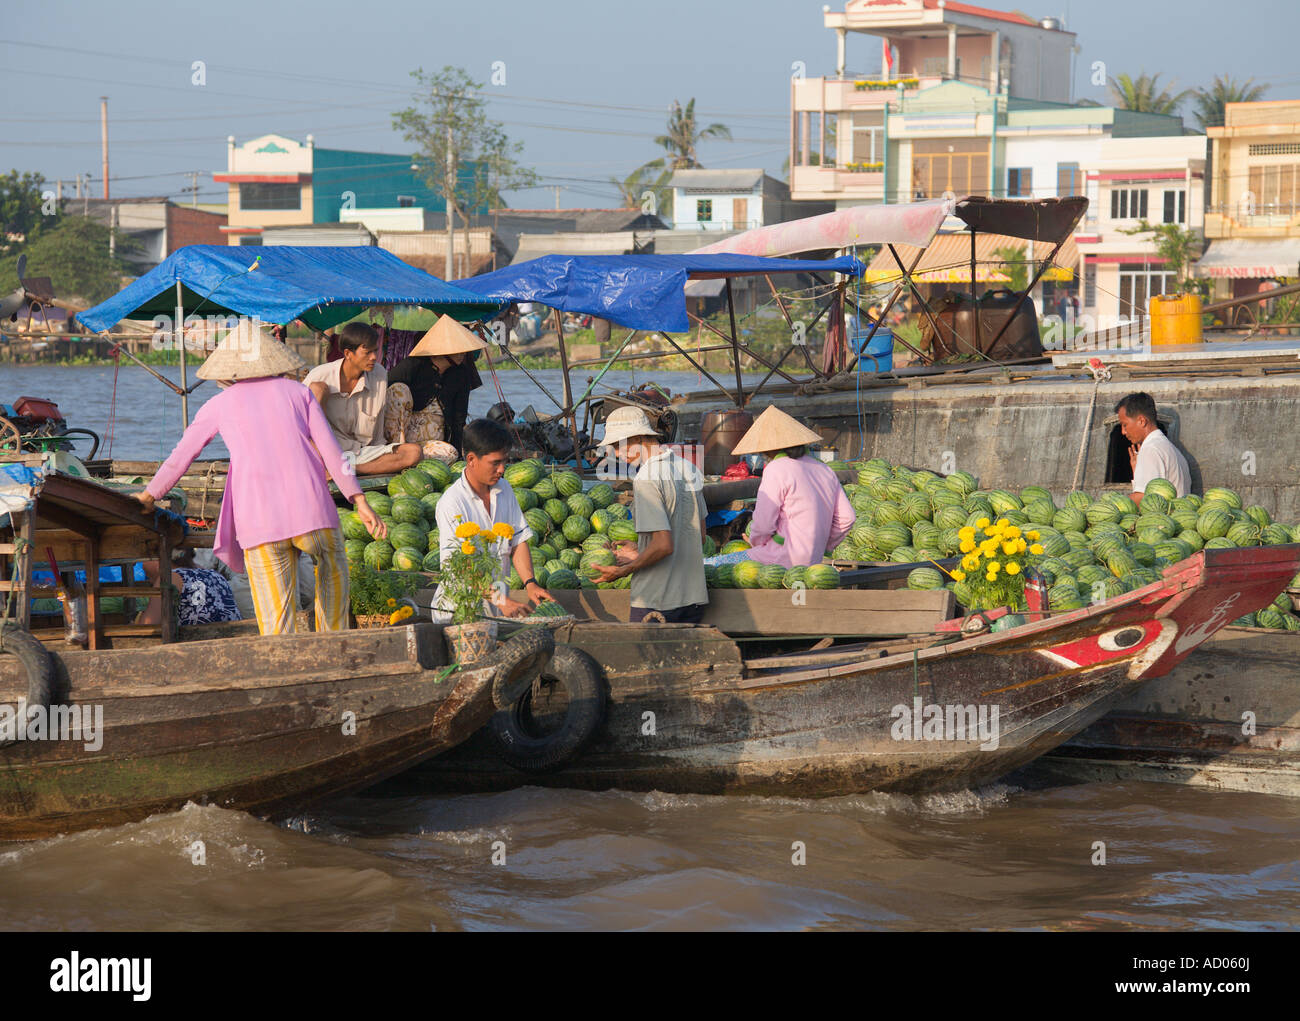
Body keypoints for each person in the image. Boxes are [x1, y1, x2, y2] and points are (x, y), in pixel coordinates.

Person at [133, 320, 386, 635]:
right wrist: (359, 501)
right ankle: (333, 640)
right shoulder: (299, 393)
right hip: (312, 512)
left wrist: (149, 495)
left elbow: (182, 455)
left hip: (260, 521)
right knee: (333, 574)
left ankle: (284, 666)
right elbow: (333, 452)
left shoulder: (218, 404)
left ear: (232, 369)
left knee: (277, 620)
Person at [589, 407, 708, 624]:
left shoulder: (646, 478)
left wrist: (623, 571)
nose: (615, 453)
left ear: (638, 437)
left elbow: (664, 546)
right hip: (694, 599)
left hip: (658, 600)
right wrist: (641, 548)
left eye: (617, 445)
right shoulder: (687, 468)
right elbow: (698, 537)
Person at [432, 418, 555, 620]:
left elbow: (517, 539)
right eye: (495, 463)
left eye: (505, 461)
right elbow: (461, 566)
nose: (502, 469)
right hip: (459, 615)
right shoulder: (452, 503)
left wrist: (530, 583)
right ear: (471, 459)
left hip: (495, 613)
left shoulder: (504, 489)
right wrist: (503, 601)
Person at [731, 406, 855, 567]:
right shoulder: (825, 469)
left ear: (769, 449)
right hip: (813, 562)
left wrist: (755, 542)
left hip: (778, 558)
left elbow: (764, 524)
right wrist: (824, 546)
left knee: (713, 564)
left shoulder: (776, 468)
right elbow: (847, 518)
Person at [304, 322, 422, 476]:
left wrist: (384, 455)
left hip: (360, 454)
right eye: (367, 352)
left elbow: (377, 433)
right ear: (347, 353)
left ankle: (347, 470)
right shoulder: (320, 375)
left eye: (375, 351)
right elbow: (300, 425)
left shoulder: (379, 374)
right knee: (317, 389)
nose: (374, 357)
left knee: (414, 453)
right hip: (325, 453)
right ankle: (330, 466)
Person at [384, 314, 485, 460]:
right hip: (402, 436)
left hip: (431, 443)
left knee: (450, 454)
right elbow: (387, 389)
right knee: (398, 389)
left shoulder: (461, 374)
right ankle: (396, 452)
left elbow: (459, 417)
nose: (463, 353)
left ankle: (415, 459)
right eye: (458, 348)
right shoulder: (414, 365)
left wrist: (459, 455)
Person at [1116, 392, 1191, 507]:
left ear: (1142, 421)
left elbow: (1142, 498)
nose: (1123, 431)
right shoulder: (1169, 447)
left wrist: (1110, 506)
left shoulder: (1151, 449)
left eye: (1124, 425)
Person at [136, 548, 242, 629]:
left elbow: (147, 626)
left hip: (199, 648)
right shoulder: (215, 575)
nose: (141, 564)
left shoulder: (170, 578)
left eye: (146, 557)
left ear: (160, 559)